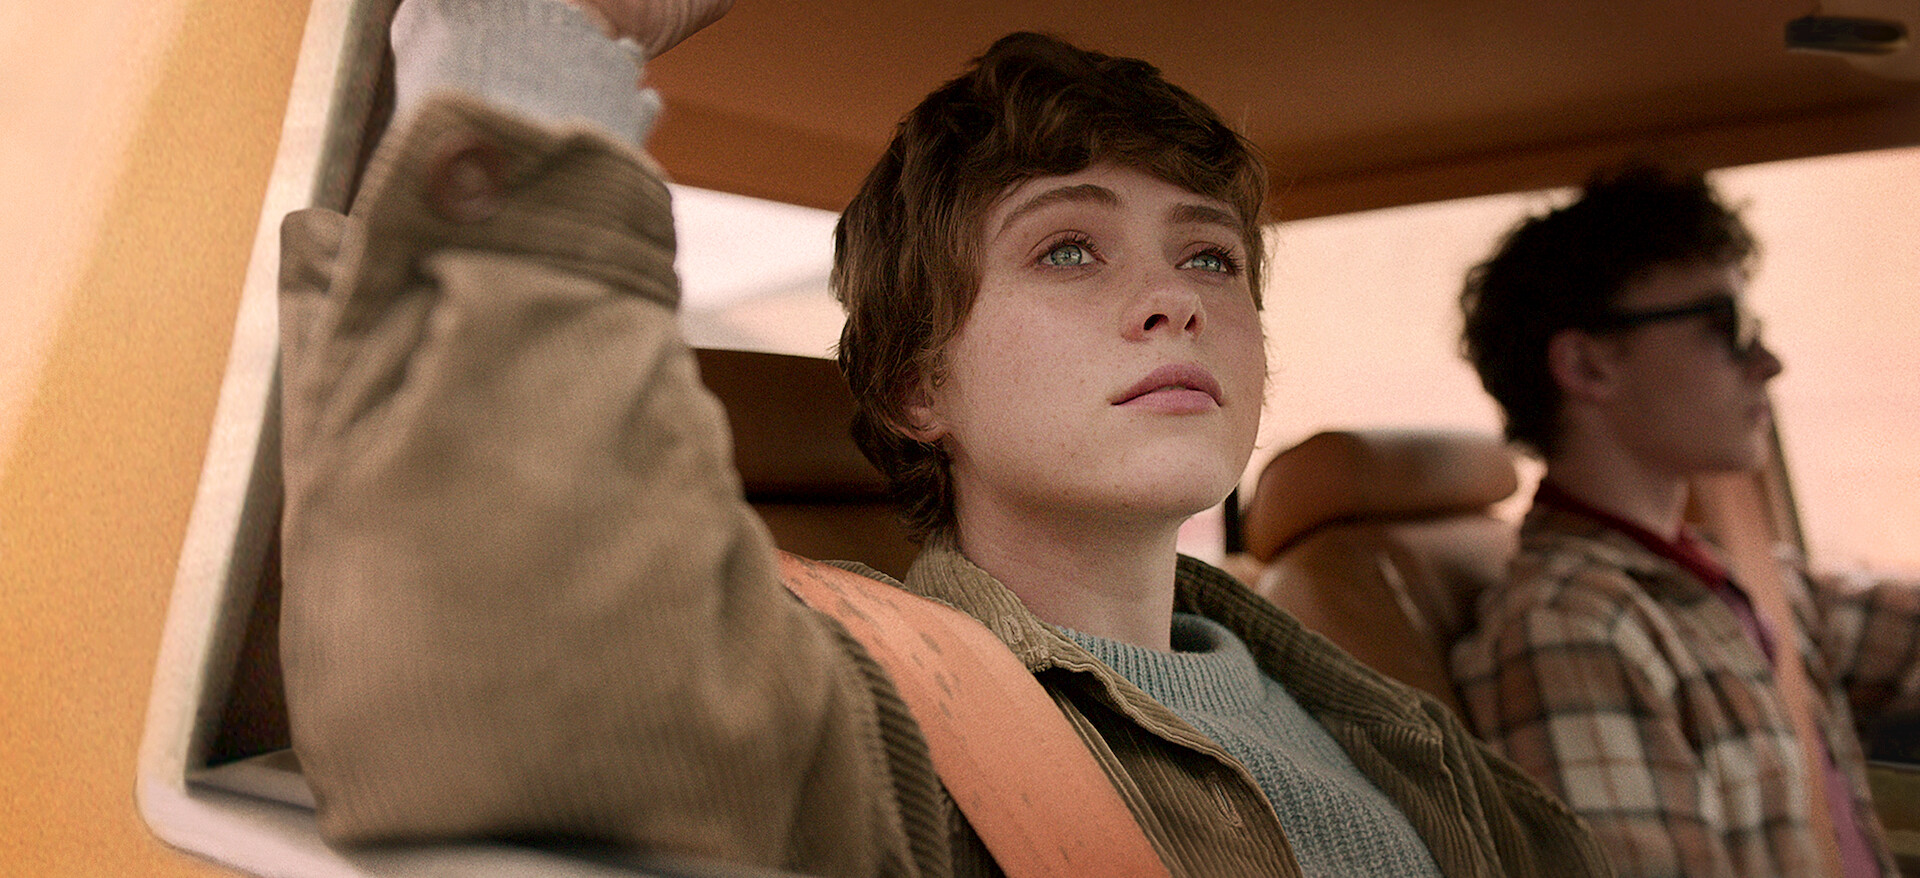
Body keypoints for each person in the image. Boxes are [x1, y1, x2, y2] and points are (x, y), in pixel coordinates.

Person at [275, 0, 1611, 875]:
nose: (1177, 299)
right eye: (1069, 248)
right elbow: (494, 681)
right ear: (919, 384)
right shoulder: (866, 717)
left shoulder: (1376, 720)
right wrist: (549, 30)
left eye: (1210, 255)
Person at [1452, 164, 1920, 878]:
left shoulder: (1733, 580)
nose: (1769, 361)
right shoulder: (1570, 629)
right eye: (1725, 327)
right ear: (1588, 365)